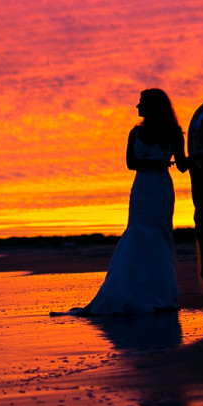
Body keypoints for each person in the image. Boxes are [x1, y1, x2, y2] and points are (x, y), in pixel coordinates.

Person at [66, 88, 187, 316]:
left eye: (141, 102)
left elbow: (182, 165)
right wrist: (159, 164)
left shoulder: (174, 133)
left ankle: (157, 292)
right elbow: (131, 163)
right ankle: (135, 290)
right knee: (138, 233)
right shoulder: (135, 133)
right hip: (143, 189)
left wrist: (200, 157)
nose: (137, 106)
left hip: (161, 190)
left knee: (159, 235)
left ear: (152, 106)